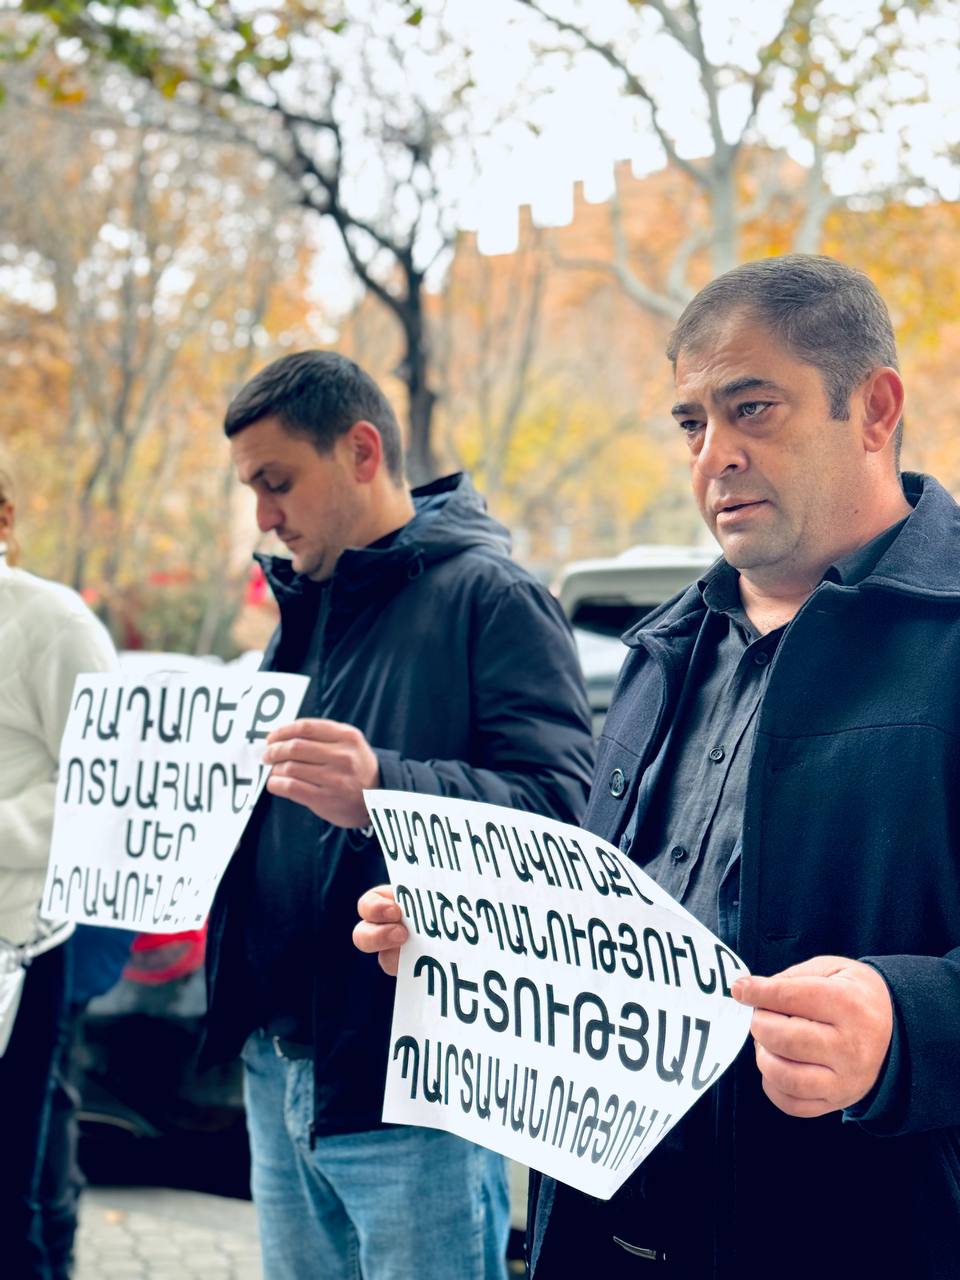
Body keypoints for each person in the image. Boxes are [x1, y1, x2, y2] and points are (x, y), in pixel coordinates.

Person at [355, 254, 960, 1279]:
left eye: (752, 407)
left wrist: (905, 1027)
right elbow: (618, 930)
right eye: (691, 423)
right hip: (606, 1234)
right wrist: (477, 938)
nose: (714, 455)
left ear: (874, 408)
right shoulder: (661, 651)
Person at [199, 350, 594, 1280]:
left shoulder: (494, 599)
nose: (263, 516)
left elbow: (564, 816)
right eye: (252, 490)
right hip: (278, 1065)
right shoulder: (305, 608)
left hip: (413, 1085)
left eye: (276, 482)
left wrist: (383, 789)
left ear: (362, 451)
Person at [0, 464, 117, 1278]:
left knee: (13, 1199)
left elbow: (105, 786)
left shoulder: (53, 621)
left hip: (20, 950)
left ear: (5, 518)